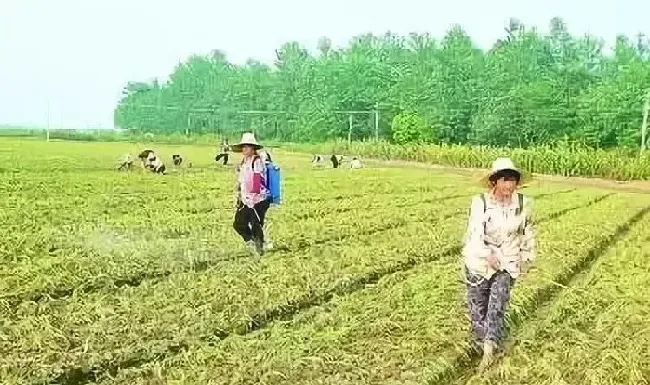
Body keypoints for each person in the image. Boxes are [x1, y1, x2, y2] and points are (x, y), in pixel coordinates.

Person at [462, 157, 536, 373]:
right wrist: (487, 254)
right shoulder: (481, 202)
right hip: (478, 262)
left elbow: (528, 231)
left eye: (513, 180)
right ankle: (480, 343)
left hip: (507, 262)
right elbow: (475, 233)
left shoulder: (523, 204)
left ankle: (489, 350)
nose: (509, 185)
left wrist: (527, 256)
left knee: (497, 306)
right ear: (494, 181)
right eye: (505, 180)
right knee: (478, 310)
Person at [231, 132, 271, 256]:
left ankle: (259, 250)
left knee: (256, 225)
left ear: (252, 148)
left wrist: (253, 201)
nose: (244, 149)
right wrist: (238, 193)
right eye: (243, 147)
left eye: (246, 146)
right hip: (246, 198)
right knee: (238, 224)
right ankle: (252, 242)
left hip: (258, 199)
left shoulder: (257, 161)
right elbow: (241, 179)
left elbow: (257, 183)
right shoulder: (244, 161)